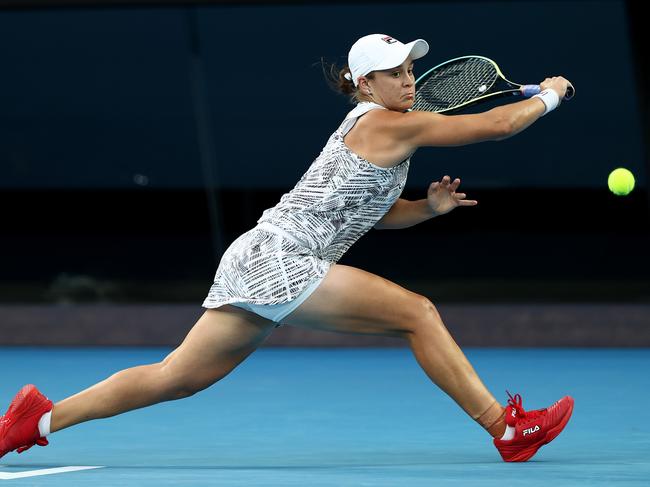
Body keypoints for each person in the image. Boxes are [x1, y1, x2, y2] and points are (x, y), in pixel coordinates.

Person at [0, 34, 574, 463]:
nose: (407, 81)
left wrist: (426, 209)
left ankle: (38, 420)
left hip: (261, 255)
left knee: (176, 376)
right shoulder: (385, 124)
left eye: (408, 70)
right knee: (416, 313)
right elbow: (497, 125)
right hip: (282, 259)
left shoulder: (381, 126)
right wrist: (548, 97)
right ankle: (506, 430)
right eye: (390, 74)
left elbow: (368, 217)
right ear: (363, 85)